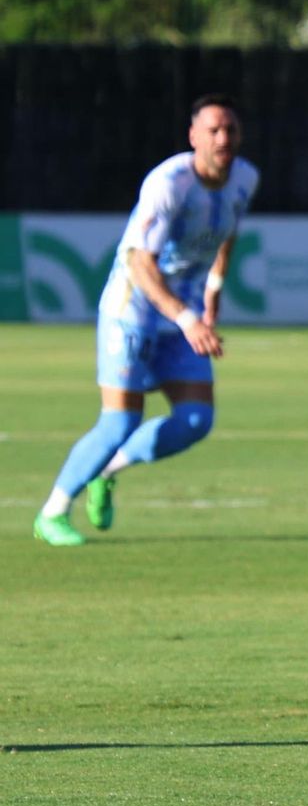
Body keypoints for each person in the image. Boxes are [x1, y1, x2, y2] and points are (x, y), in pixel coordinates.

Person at [33, 94, 258, 547]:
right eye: (212, 130)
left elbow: (228, 235)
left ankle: (108, 470)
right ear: (193, 136)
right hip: (132, 311)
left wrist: (212, 296)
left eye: (230, 129)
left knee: (196, 420)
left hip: (184, 315)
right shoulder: (169, 183)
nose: (223, 138)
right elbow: (139, 262)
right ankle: (52, 513)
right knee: (119, 423)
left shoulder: (245, 179)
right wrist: (187, 318)